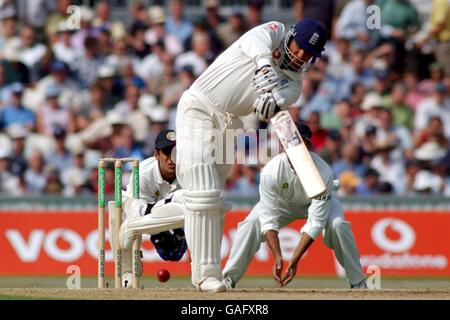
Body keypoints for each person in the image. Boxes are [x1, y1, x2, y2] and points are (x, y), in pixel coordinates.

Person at [175, 19, 328, 292]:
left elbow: (267, 106)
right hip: (199, 107)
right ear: (291, 37)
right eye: (300, 47)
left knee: (212, 199)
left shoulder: (294, 87)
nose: (302, 55)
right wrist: (265, 65)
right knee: (204, 191)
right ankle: (206, 274)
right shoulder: (275, 31)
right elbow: (251, 41)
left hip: (230, 124)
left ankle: (151, 219)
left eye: (309, 54)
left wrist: (270, 102)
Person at [222, 123, 367, 289]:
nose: (291, 146)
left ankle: (357, 281)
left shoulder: (323, 172)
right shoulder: (271, 171)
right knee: (250, 225)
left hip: (316, 203)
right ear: (282, 145)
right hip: (283, 205)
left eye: (297, 142)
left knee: (338, 225)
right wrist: (278, 257)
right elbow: (268, 218)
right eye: (287, 142)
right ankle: (228, 279)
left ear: (308, 145)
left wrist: (294, 259)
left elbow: (315, 223)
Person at [112, 129, 186, 288]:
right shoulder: (143, 173)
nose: (172, 158)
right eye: (167, 152)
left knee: (173, 253)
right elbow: (138, 212)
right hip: (140, 214)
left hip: (170, 216)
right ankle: (128, 272)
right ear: (156, 154)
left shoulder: (189, 172)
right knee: (118, 210)